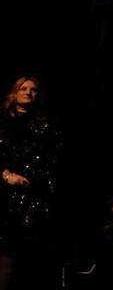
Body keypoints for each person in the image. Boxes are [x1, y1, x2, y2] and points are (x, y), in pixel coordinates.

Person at [0, 76, 62, 290]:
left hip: (38, 196)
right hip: (8, 197)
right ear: (14, 93)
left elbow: (54, 158)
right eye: (24, 88)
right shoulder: (3, 122)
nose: (28, 92)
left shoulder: (46, 124)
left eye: (33, 89)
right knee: (8, 254)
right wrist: (7, 175)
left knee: (33, 257)